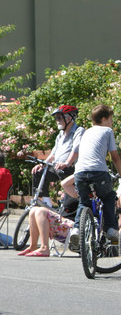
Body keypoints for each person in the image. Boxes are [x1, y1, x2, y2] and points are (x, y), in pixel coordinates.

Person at [69, 105, 121, 251]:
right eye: (110, 119)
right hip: (98, 171)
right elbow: (114, 157)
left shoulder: (84, 132)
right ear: (104, 119)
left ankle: (77, 229)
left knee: (84, 202)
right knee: (109, 197)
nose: (111, 123)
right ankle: (111, 230)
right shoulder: (107, 131)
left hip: (79, 172)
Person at [31, 105, 84, 207]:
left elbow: (76, 151)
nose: (57, 120)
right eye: (56, 118)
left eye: (60, 117)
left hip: (70, 168)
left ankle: (74, 201)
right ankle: (46, 204)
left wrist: (66, 163)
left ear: (70, 118)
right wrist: (42, 164)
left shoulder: (79, 131)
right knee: (38, 172)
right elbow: (53, 154)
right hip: (57, 167)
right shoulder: (60, 134)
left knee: (61, 170)